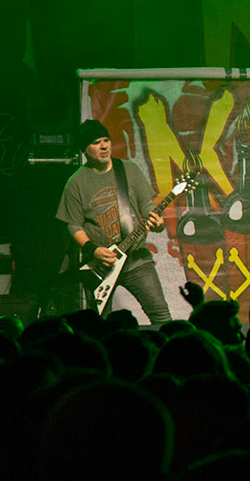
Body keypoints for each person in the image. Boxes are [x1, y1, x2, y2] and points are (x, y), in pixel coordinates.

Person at [55, 118, 171, 326]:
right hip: (101, 265)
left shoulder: (129, 170)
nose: (104, 146)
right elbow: (73, 225)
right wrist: (93, 250)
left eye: (106, 140)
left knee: (162, 317)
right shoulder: (75, 183)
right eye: (96, 142)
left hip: (136, 259)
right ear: (84, 149)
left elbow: (146, 206)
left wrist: (158, 223)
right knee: (100, 325)